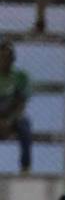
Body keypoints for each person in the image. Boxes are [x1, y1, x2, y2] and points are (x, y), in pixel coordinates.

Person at [0, 39, 33, 174]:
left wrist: (8, 121)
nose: (5, 60)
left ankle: (25, 167)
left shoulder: (21, 77)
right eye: (2, 56)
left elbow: (21, 103)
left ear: (13, 58)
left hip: (12, 115)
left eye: (8, 56)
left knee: (25, 126)